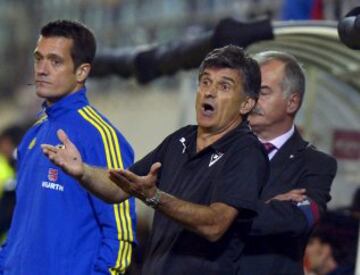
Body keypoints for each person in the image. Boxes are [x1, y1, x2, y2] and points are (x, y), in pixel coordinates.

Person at [42, 45, 269, 275]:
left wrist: (154, 197)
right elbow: (119, 188)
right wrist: (82, 171)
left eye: (224, 86)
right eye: (206, 82)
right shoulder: (181, 138)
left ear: (246, 104)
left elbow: (215, 225)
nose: (209, 92)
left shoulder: (246, 151)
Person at [0, 20, 136, 275]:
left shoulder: (102, 136)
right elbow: (22, 227)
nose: (42, 69)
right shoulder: (33, 135)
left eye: (55, 61)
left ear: (82, 71)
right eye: (38, 59)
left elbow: (121, 234)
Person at [236, 51, 337, 275]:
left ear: (292, 102)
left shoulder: (317, 165)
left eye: (262, 92)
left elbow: (294, 221)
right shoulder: (222, 151)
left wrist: (217, 215)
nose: (251, 100)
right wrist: (268, 204)